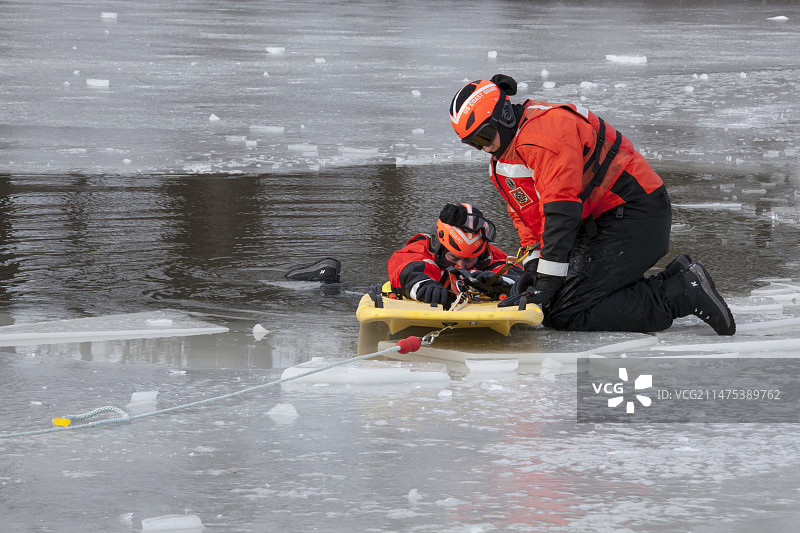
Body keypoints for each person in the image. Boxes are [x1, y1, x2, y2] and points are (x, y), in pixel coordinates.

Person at [447, 74, 735, 335]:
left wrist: (547, 281)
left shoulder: (544, 135)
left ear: (504, 116)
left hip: (635, 213)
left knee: (566, 313)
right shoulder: (505, 157)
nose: (483, 147)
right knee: (552, 303)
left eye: (484, 136)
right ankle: (675, 277)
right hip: (604, 221)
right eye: (473, 143)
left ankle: (680, 292)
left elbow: (561, 212)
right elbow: (531, 220)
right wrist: (534, 270)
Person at [388, 203, 522, 307]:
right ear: (441, 247)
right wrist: (423, 285)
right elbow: (404, 266)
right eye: (454, 258)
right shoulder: (420, 249)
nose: (461, 266)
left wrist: (501, 282)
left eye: (469, 260)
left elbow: (518, 275)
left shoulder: (491, 255)